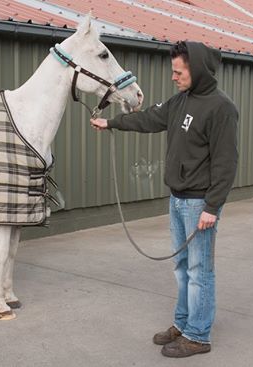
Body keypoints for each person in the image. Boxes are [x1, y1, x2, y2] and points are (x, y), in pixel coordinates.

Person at [91, 41, 238, 358]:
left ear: (196, 70)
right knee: (182, 267)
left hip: (200, 203)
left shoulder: (220, 108)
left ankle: (198, 336)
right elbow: (149, 119)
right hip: (177, 198)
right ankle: (184, 324)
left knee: (200, 271)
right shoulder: (181, 101)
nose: (174, 77)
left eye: (178, 72)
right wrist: (111, 122)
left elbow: (226, 163)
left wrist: (212, 207)